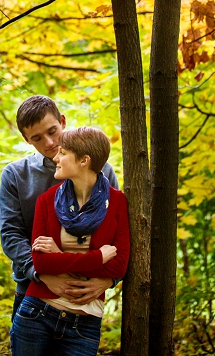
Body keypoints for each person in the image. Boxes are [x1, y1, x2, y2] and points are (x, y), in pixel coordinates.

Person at [10, 126, 130, 354]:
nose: (56, 157)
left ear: (84, 160)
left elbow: (119, 265)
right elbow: (42, 263)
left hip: (84, 325)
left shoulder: (117, 202)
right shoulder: (46, 201)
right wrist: (98, 258)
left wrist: (58, 255)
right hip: (37, 313)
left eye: (63, 153)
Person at [0, 96, 120, 319]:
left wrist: (108, 280)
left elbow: (116, 232)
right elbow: (10, 235)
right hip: (32, 293)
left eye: (52, 131)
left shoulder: (100, 171)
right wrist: (41, 274)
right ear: (26, 140)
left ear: (63, 121)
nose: (49, 143)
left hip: (84, 297)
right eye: (37, 138)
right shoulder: (16, 175)